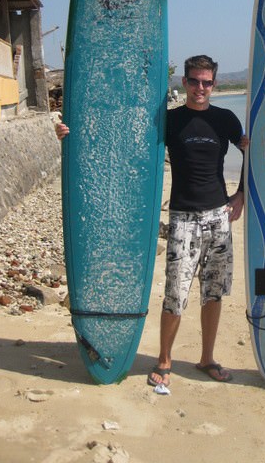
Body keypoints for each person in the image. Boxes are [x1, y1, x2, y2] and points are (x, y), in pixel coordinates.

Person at [56, 54, 247, 389]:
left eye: (206, 82)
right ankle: (164, 359)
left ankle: (207, 358)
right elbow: (122, 144)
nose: (200, 87)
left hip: (219, 216)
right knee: (175, 293)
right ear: (184, 82)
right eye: (194, 81)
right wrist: (70, 135)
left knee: (213, 293)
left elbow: (252, 152)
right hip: (183, 217)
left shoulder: (226, 119)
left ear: (214, 84)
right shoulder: (168, 120)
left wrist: (241, 193)